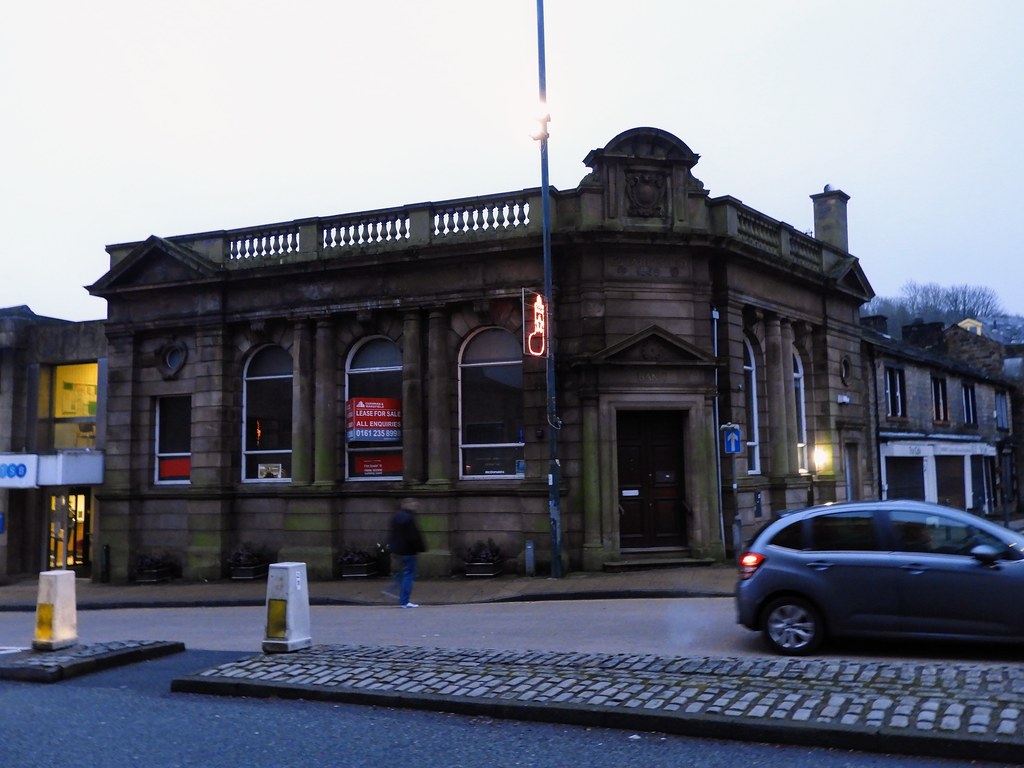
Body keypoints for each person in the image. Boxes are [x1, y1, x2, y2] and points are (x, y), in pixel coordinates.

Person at [386, 498, 426, 608]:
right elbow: (414, 536)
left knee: (402, 572)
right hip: (408, 550)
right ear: (407, 505)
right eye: (413, 504)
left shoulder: (396, 517)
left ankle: (392, 589)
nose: (415, 506)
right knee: (409, 574)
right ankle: (404, 601)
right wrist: (420, 548)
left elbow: (392, 534)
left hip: (398, 550)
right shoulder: (409, 518)